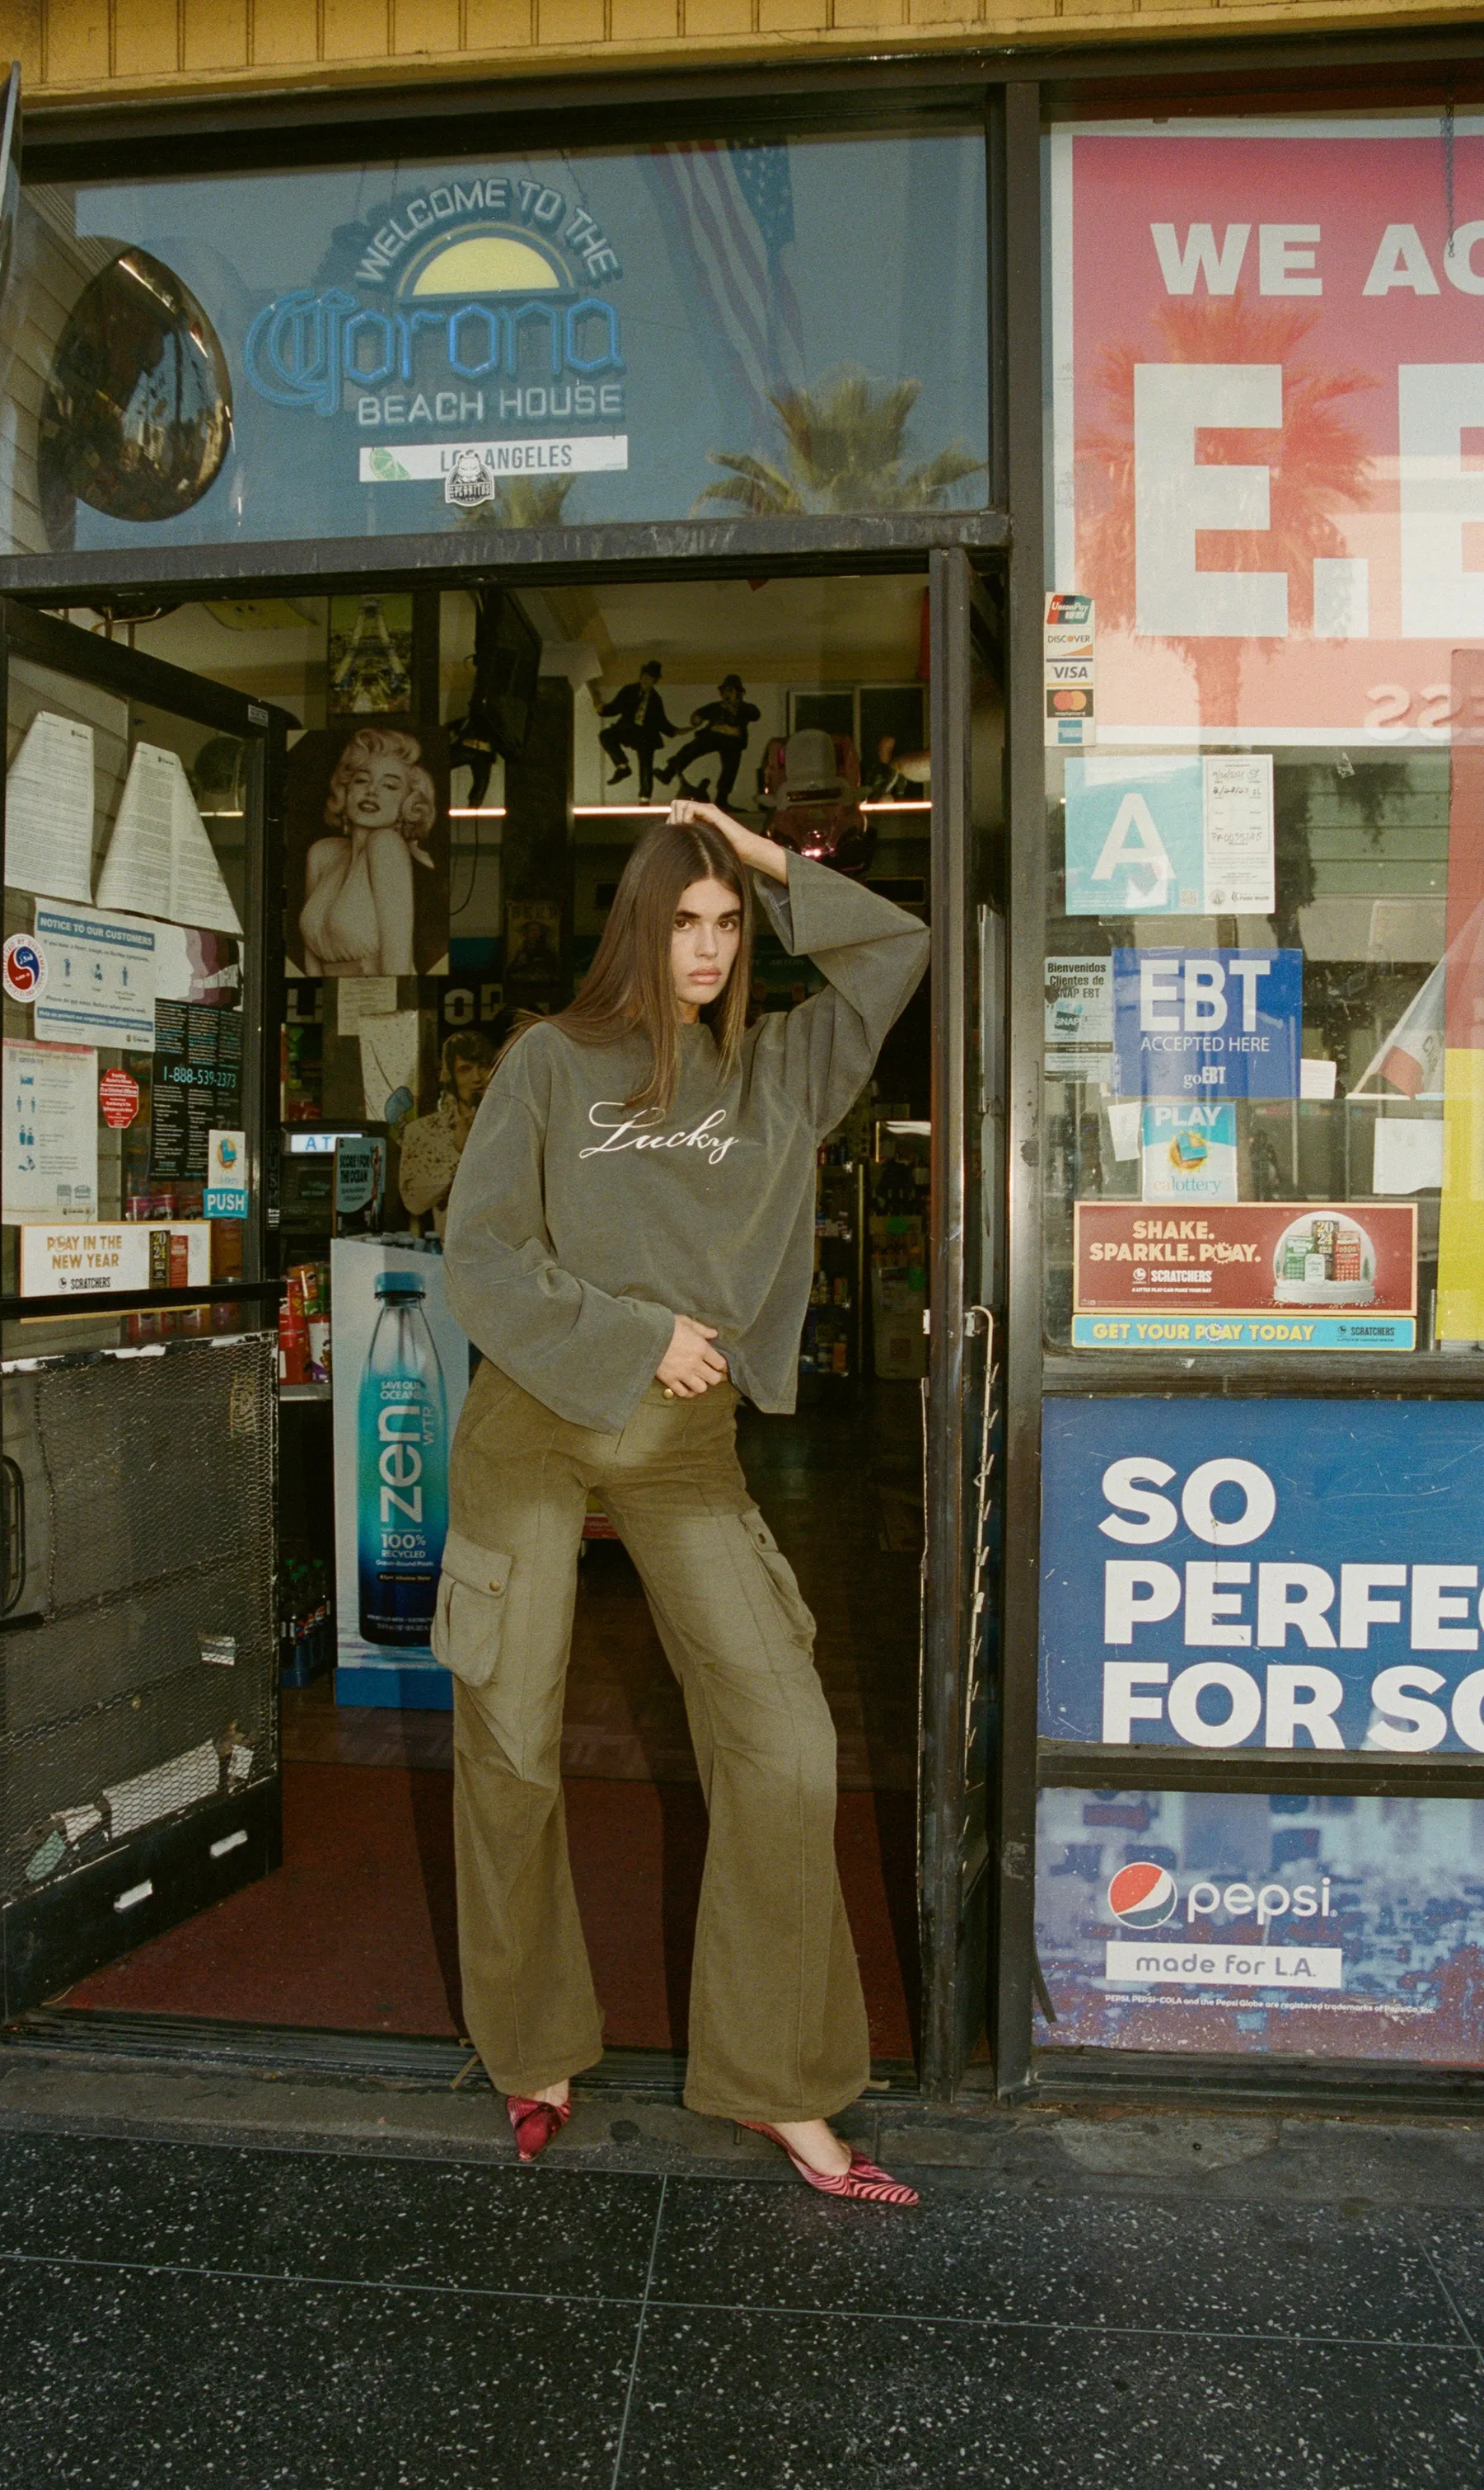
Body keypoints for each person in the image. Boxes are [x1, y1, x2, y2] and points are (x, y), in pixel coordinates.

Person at [438, 799, 930, 2203]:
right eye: (684, 919)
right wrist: (636, 1331)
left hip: (685, 1448)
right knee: (512, 1737)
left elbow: (894, 948)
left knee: (785, 1739)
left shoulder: (779, 1071)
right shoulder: (551, 1061)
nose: (706, 947)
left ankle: (780, 2081)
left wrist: (766, 857)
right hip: (531, 1427)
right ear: (636, 926)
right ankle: (530, 2048)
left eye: (726, 922)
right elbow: (482, 1253)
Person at [300, 725, 437, 976]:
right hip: (334, 1001)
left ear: (409, 802)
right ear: (346, 790)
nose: (372, 790)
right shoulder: (322, 853)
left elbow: (398, 964)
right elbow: (310, 956)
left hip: (378, 1001)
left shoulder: (387, 845)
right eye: (362, 780)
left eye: (390, 786)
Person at [398, 1031, 497, 1233]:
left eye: (484, 1067)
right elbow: (414, 1201)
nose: (477, 1078)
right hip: (449, 1250)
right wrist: (458, 1154)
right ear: (450, 1076)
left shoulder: (514, 1124)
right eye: (466, 1069)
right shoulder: (423, 1131)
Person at [658, 672, 762, 809]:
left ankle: (722, 799)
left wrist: (734, 708)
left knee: (731, 767)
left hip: (732, 741)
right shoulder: (716, 707)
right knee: (691, 749)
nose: (727, 694)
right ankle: (669, 772)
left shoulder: (746, 708)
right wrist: (696, 719)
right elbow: (699, 715)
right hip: (712, 736)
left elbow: (755, 714)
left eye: (731, 690)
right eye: (726, 690)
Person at [592, 659, 680, 803]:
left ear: (655, 681)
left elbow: (661, 721)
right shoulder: (629, 691)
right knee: (606, 735)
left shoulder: (656, 699)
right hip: (627, 729)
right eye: (644, 676)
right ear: (640, 676)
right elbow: (615, 707)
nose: (646, 680)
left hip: (646, 735)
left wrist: (675, 731)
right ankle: (623, 767)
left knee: (646, 765)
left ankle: (645, 798)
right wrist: (602, 709)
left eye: (650, 678)